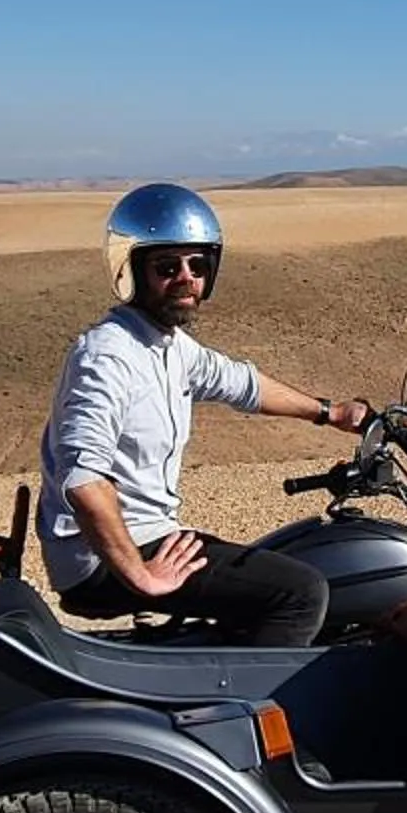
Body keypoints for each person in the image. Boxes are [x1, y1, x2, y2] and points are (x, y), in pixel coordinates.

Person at [36, 183, 369, 646]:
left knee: (269, 566)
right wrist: (142, 576)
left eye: (198, 265)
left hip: (148, 535)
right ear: (132, 272)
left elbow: (241, 384)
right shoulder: (108, 356)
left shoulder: (167, 345)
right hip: (101, 561)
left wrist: (330, 413)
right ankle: (257, 713)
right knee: (300, 593)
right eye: (167, 266)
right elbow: (84, 481)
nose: (186, 277)